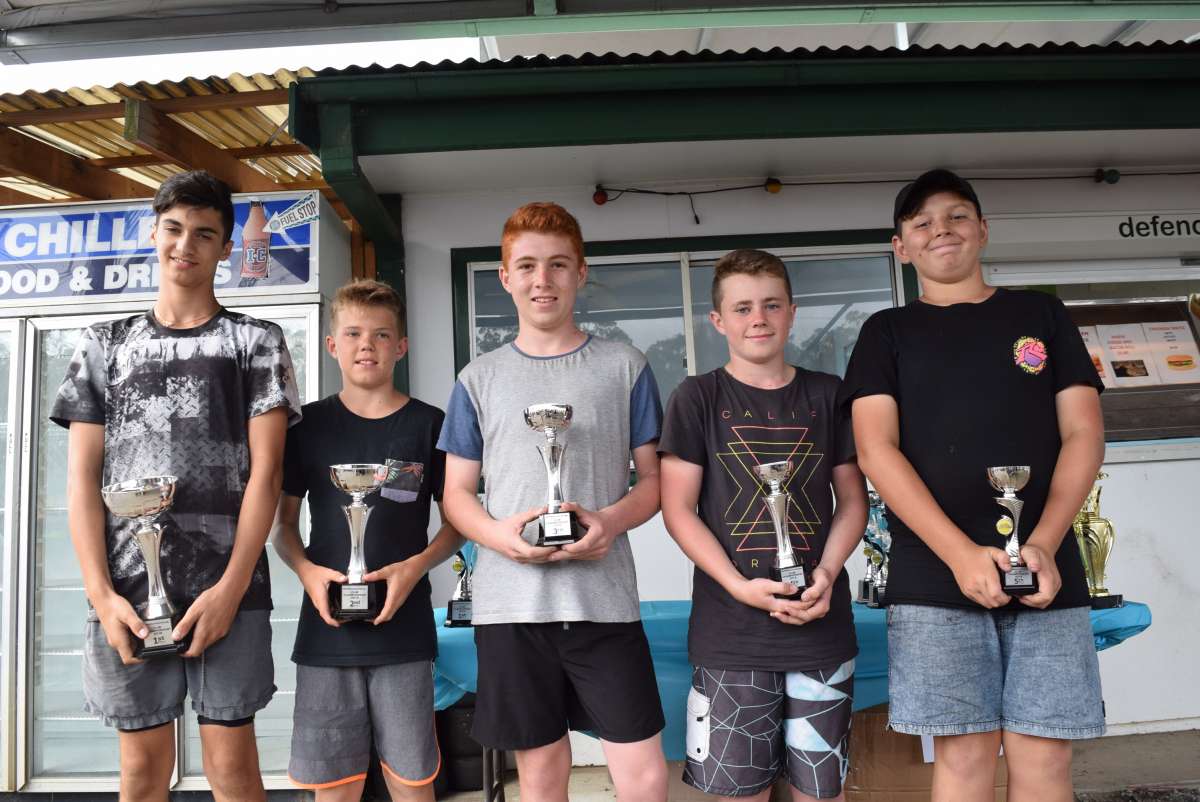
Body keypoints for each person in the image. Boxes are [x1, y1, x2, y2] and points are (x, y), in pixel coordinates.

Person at [840, 169, 1106, 802]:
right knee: (962, 756)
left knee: (1046, 755)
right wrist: (959, 555)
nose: (942, 231)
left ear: (983, 229)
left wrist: (1044, 543)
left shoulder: (1041, 314)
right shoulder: (886, 332)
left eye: (957, 216)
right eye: (922, 223)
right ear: (901, 247)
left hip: (1046, 570)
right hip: (933, 575)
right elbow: (876, 450)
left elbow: (1084, 433)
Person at [52, 170, 301, 802]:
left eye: (204, 233)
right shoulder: (103, 344)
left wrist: (230, 590)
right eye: (173, 228)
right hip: (129, 593)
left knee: (233, 769)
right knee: (141, 771)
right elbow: (82, 482)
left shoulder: (257, 342)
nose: (185, 245)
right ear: (153, 232)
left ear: (225, 248)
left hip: (230, 589)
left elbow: (267, 474)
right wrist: (102, 595)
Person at [438, 202, 669, 802]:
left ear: (581, 272)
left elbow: (654, 480)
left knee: (644, 773)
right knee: (540, 776)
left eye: (559, 264)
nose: (543, 280)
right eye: (528, 266)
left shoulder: (625, 366)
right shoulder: (477, 379)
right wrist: (500, 538)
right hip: (511, 610)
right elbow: (457, 494)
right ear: (505, 277)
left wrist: (609, 523)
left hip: (604, 603)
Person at [659, 249, 868, 801]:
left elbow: (852, 501)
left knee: (821, 792)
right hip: (731, 635)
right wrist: (737, 586)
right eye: (743, 307)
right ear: (718, 320)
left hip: (820, 628)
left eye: (772, 305)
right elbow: (678, 510)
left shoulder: (829, 394)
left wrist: (827, 572)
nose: (759, 318)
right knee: (739, 793)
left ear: (792, 313)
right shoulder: (696, 398)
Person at [273, 278, 460, 800]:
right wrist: (308, 572)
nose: (366, 346)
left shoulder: (429, 425)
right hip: (326, 633)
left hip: (404, 633)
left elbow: (457, 524)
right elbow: (283, 527)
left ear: (401, 346)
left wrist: (415, 566)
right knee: (334, 786)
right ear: (332, 344)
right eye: (353, 334)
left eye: (381, 335)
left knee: (412, 782)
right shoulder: (305, 427)